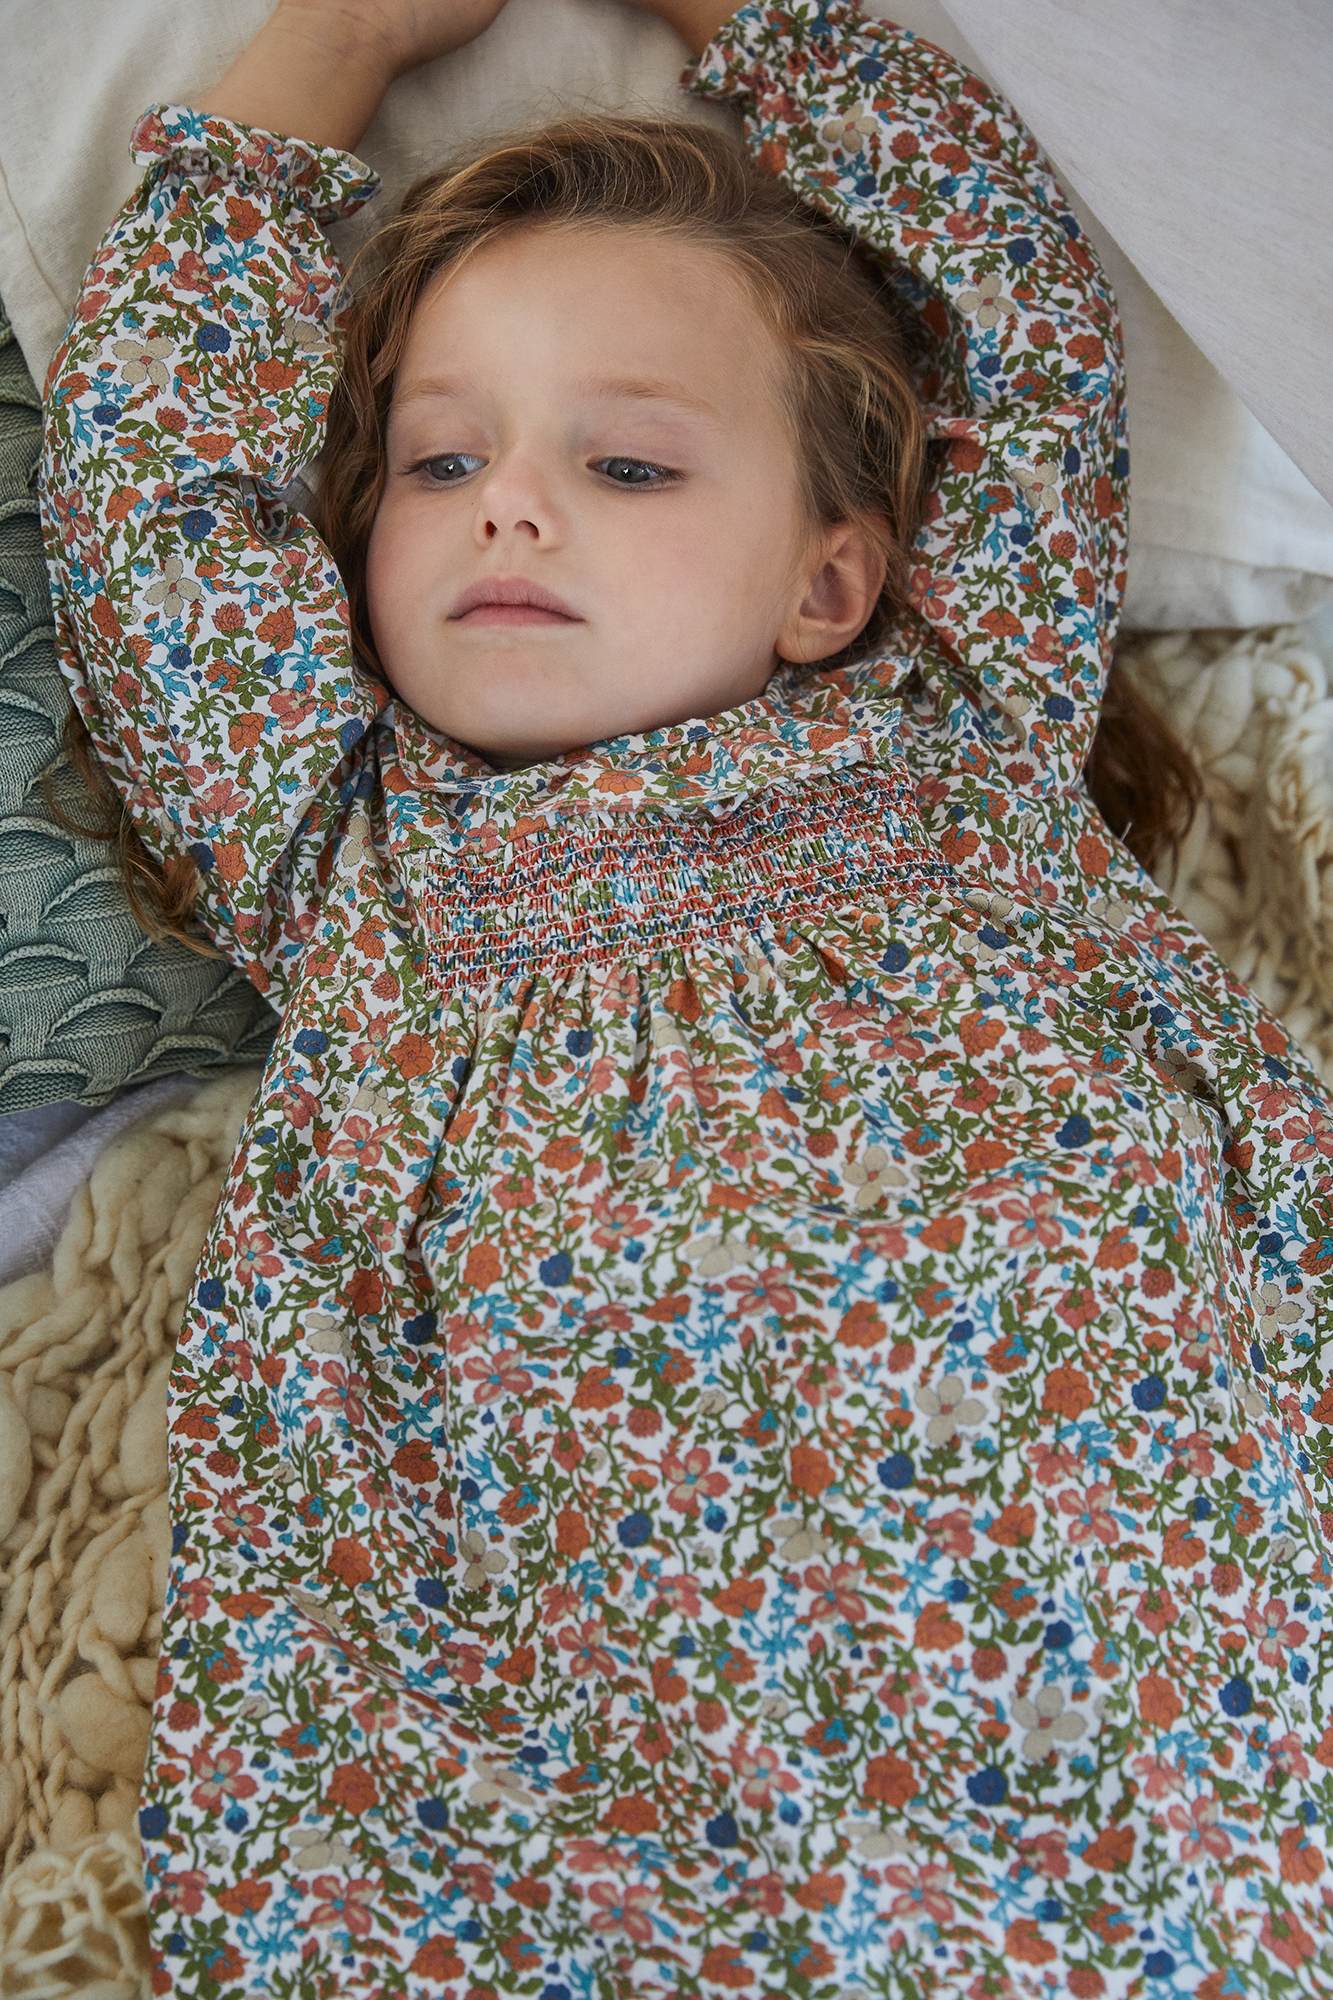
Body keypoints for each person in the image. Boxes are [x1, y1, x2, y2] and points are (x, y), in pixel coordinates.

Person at [36, 0, 1333, 1994]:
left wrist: (745, 19)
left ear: (832, 579)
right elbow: (157, 494)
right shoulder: (356, 859)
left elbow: (1010, 298)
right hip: (594, 1824)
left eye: (627, 462)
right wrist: (330, 50)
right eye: (437, 459)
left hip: (1153, 1756)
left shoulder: (958, 726)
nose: (508, 503)